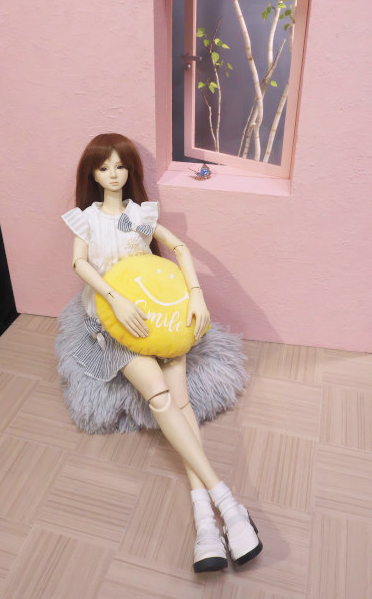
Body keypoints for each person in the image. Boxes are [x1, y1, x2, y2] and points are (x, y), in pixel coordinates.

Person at [62, 132, 262, 573]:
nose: (113, 175)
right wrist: (113, 298)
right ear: (92, 174)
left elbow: (180, 247)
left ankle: (206, 517)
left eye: (120, 166)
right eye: (104, 167)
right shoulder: (86, 220)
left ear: (130, 170)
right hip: (112, 320)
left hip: (158, 313)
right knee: (159, 396)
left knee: (181, 399)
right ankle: (226, 503)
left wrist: (196, 295)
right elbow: (79, 263)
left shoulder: (140, 214)